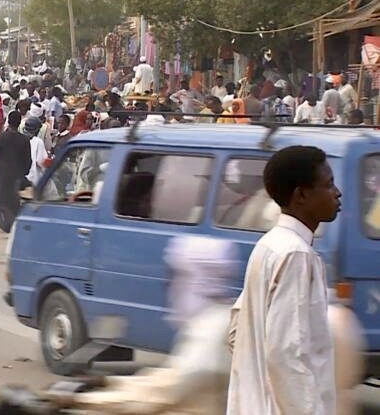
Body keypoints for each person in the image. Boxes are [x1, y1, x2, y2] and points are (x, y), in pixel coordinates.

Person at [56, 235, 237, 414]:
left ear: (196, 276)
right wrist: (106, 381)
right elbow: (168, 377)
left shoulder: (211, 330)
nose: (171, 284)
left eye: (178, 275)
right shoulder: (214, 318)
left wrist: (79, 401)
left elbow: (161, 394)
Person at [227, 146, 340, 415]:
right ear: (301, 195)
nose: (337, 193)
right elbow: (288, 354)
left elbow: (235, 331)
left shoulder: (270, 245)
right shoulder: (296, 255)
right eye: (328, 185)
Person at [0, 112, 31, 231]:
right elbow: (28, 160)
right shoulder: (24, 140)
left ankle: (7, 223)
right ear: (19, 123)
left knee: (3, 200)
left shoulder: (2, 137)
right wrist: (24, 172)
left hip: (3, 174)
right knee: (15, 200)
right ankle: (14, 223)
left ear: (8, 122)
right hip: (17, 174)